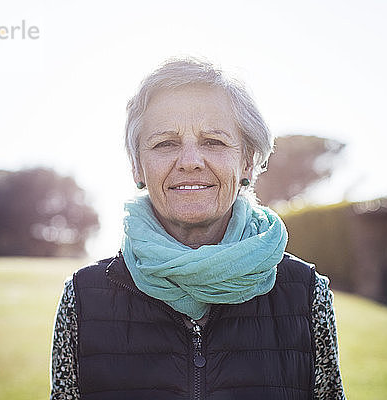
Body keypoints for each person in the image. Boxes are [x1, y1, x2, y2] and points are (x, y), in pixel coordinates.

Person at [50, 57, 345, 400]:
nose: (190, 161)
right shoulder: (82, 298)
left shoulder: (308, 295)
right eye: (165, 143)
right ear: (137, 167)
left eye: (214, 142)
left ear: (247, 162)